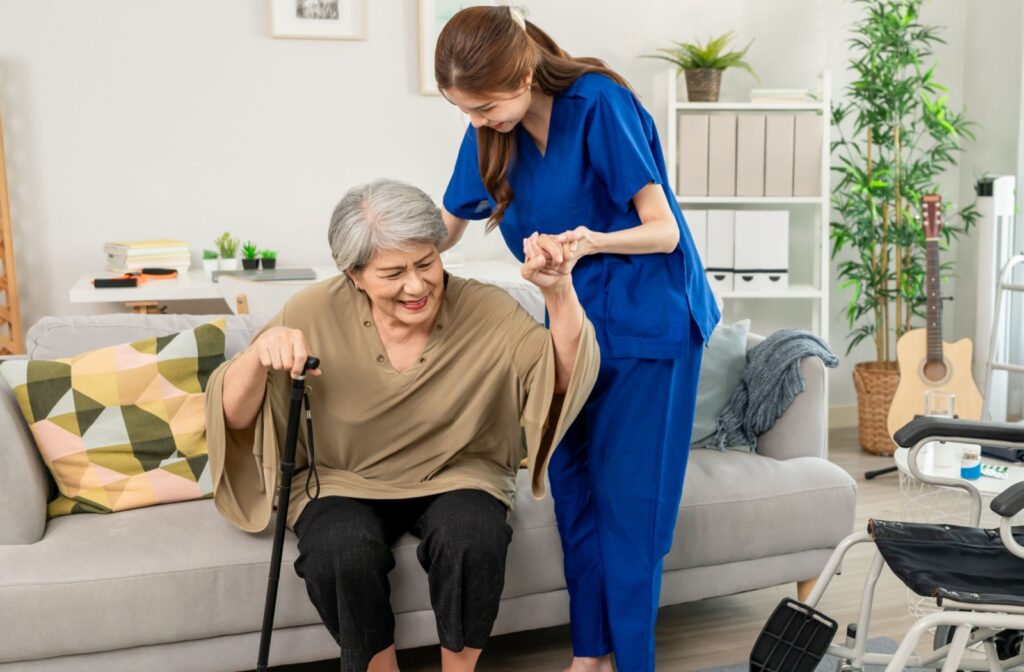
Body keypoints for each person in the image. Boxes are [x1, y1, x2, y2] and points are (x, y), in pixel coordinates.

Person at [204, 179, 599, 672]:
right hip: (341, 478)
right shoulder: (312, 310)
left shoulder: (487, 310)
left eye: (426, 264)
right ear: (354, 275)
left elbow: (560, 380)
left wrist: (559, 294)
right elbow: (235, 416)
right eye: (393, 273)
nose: (416, 286)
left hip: (458, 472)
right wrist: (258, 358)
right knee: (339, 550)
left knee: (473, 538)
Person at [435, 7, 721, 672]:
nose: (475, 122)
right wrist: (379, 250)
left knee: (630, 506)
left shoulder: (599, 104)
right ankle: (589, 654)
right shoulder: (490, 130)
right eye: (464, 110)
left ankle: (634, 661)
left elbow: (664, 230)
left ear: (523, 73)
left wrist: (589, 241)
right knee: (570, 488)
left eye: (482, 106)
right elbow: (447, 223)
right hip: (571, 330)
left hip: (652, 324)